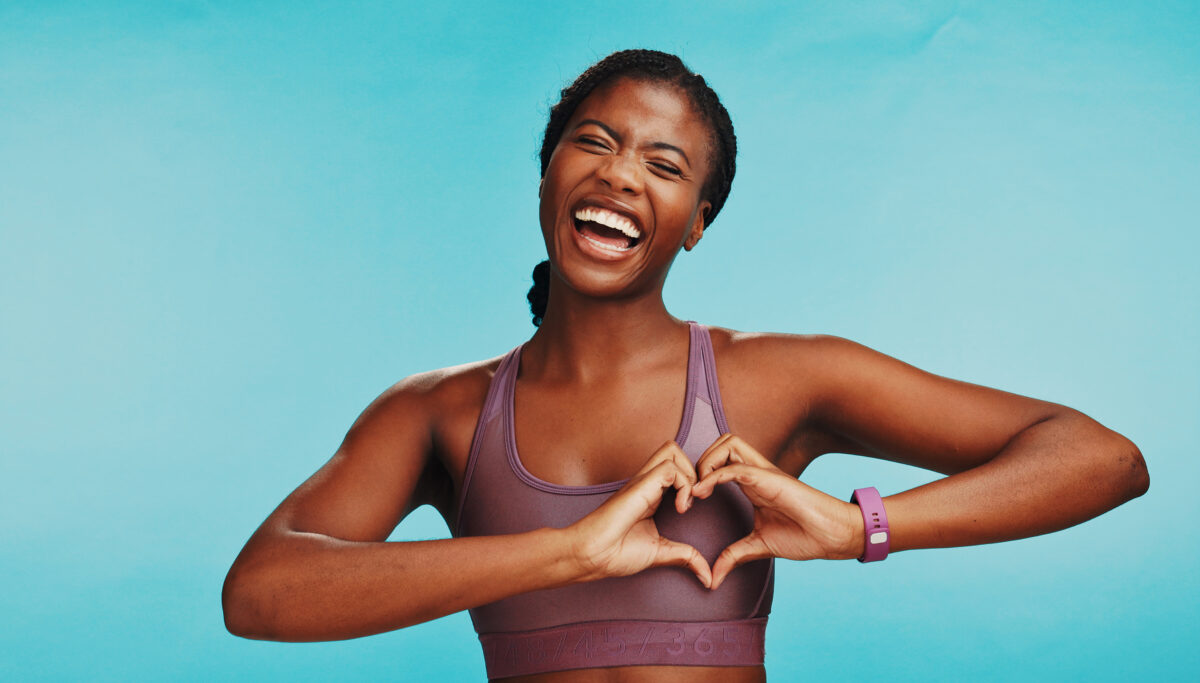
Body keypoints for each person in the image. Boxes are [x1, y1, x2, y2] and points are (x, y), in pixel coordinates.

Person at [222, 49, 1149, 682]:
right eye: (594, 142)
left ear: (698, 222)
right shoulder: (436, 413)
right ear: (546, 174)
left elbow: (1100, 457)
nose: (621, 175)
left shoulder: (780, 379)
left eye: (664, 164)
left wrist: (860, 525)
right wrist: (566, 553)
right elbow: (260, 591)